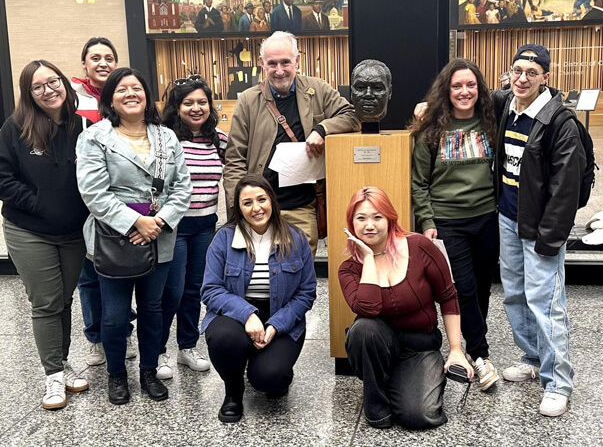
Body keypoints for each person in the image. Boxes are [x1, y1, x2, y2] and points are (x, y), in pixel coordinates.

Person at [76, 68, 192, 405]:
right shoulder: (96, 137)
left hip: (159, 234)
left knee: (152, 309)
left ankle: (148, 372)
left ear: (146, 96)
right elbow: (95, 193)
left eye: (137, 88)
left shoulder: (165, 137)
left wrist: (158, 222)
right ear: (110, 97)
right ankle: (116, 374)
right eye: (122, 89)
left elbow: (182, 187)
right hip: (114, 237)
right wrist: (134, 223)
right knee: (113, 314)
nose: (130, 94)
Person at [0, 60, 90, 410]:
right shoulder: (15, 127)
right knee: (46, 302)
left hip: (73, 232)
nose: (48, 90)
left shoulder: (82, 126)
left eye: (53, 81)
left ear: (64, 82)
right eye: (37, 86)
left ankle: (61, 363)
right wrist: (38, 203)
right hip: (29, 230)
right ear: (28, 94)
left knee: (64, 300)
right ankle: (52, 377)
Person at [494, 44, 583, 417]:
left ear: (546, 76)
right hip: (509, 219)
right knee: (515, 294)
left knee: (546, 304)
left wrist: (551, 237)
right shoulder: (508, 108)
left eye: (532, 72)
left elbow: (566, 188)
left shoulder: (559, 122)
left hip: (540, 227)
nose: (522, 78)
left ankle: (558, 382)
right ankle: (532, 357)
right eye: (517, 70)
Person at [340, 187, 473, 429]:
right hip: (379, 345)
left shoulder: (420, 247)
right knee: (363, 329)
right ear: (351, 223)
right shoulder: (349, 269)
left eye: (377, 217)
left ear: (390, 218)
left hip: (419, 347)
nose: (369, 225)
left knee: (419, 416)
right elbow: (367, 309)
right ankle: (376, 403)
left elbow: (448, 297)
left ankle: (401, 380)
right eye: (361, 218)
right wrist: (369, 259)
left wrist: (456, 350)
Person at [224, 31, 359, 258]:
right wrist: (237, 208)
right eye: (272, 63)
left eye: (286, 62)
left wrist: (323, 129)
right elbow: (235, 158)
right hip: (259, 208)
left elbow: (352, 115)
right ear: (261, 64)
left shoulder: (317, 90)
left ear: (297, 60)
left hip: (301, 208)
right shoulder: (248, 101)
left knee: (298, 272)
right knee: (260, 273)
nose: (279, 70)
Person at [410, 58, 500, 393]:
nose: (464, 91)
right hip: (449, 222)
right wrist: (427, 220)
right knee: (462, 288)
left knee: (481, 287)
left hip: (487, 218)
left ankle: (475, 341)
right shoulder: (431, 131)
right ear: (447, 91)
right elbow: (418, 182)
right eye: (457, 86)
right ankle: (480, 353)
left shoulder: (492, 123)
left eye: (470, 85)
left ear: (479, 89)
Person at [201, 174, 317, 423]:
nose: (256, 208)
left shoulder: (295, 238)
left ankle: (270, 369)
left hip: (281, 316)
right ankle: (233, 392)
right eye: (247, 203)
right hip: (235, 315)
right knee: (224, 338)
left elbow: (306, 293)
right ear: (238, 208)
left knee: (270, 380)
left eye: (261, 199)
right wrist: (247, 314)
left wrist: (276, 325)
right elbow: (211, 290)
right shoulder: (223, 238)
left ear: (272, 201)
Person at [71, 37, 138, 367]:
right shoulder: (72, 99)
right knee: (91, 274)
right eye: (95, 57)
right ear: (84, 63)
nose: (102, 63)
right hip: (86, 200)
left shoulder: (124, 96)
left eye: (108, 57)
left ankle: (122, 331)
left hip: (125, 204)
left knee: (124, 268)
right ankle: (97, 337)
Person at [155, 78, 228, 380]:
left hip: (205, 224)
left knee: (194, 289)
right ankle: (157, 351)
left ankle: (187, 346)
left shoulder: (218, 139)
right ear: (177, 107)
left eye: (202, 102)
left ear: (210, 106)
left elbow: (231, 176)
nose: (196, 108)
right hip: (174, 225)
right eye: (188, 103)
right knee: (170, 291)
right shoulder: (165, 138)